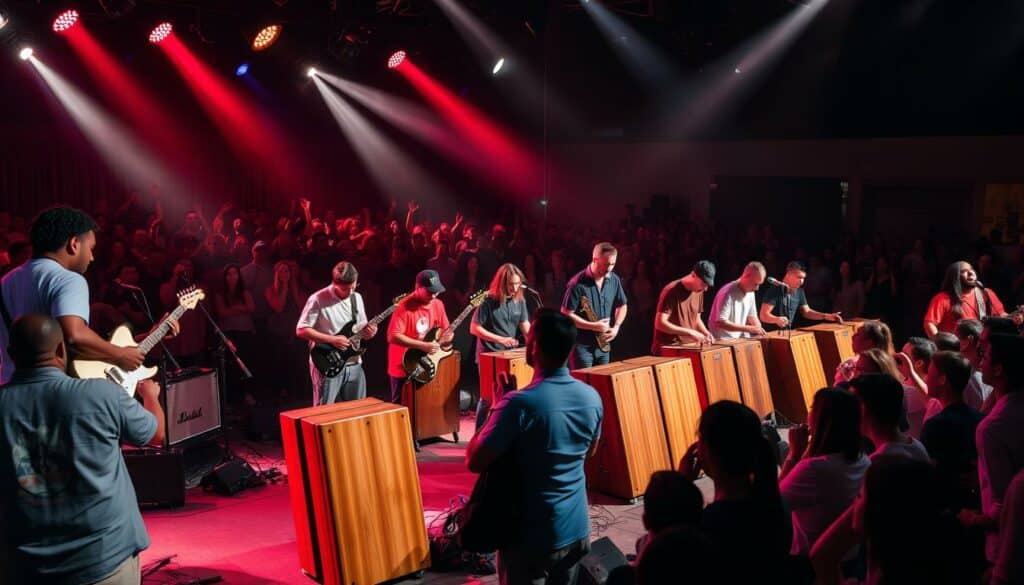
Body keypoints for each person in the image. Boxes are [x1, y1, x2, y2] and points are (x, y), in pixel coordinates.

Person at [0, 314, 165, 583]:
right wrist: (151, 397)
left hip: (24, 567)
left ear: (11, 354)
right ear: (62, 350)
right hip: (105, 560)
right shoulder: (102, 394)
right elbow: (155, 433)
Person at [466, 309, 603, 585]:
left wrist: (496, 406)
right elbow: (591, 451)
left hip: (530, 538)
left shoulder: (518, 404)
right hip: (577, 529)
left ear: (534, 348)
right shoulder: (592, 397)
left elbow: (475, 460)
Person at [0, 207, 170, 385]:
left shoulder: (6, 280)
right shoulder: (68, 279)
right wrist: (119, 355)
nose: (92, 258)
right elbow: (75, 336)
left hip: (8, 388)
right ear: (74, 244)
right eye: (91, 248)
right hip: (51, 392)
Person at [811, 374, 930, 585]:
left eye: (852, 403)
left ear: (863, 409)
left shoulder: (879, 465)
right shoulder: (915, 446)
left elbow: (824, 551)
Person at [678, 401, 791, 583]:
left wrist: (682, 484)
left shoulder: (710, 526)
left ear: (705, 449)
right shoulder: (777, 504)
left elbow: (667, 560)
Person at [780, 389, 869, 556]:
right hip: (850, 556)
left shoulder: (813, 470)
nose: (808, 413)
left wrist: (793, 455)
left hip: (811, 564)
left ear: (822, 419)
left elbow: (774, 504)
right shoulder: (863, 459)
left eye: (813, 408)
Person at [970, 334, 1024, 565]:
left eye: (986, 356)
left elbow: (1002, 503)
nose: (980, 361)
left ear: (999, 369)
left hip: (1007, 547)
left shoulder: (992, 428)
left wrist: (972, 519)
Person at [296, 262, 378, 406]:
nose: (350, 293)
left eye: (353, 287)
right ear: (334, 284)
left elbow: (360, 327)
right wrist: (332, 340)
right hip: (327, 364)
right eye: (345, 289)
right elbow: (301, 329)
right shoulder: (318, 299)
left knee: (358, 410)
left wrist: (369, 332)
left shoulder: (357, 297)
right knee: (324, 412)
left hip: (354, 362)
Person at [470, 263, 531, 428]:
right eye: (511, 284)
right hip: (489, 355)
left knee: (512, 395)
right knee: (488, 397)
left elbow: (525, 325)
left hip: (510, 356)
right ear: (502, 283)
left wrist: (535, 342)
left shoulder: (519, 300)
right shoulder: (488, 300)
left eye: (518, 283)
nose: (515, 287)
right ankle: (479, 436)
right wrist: (500, 339)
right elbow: (474, 328)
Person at [921, 351, 982, 511]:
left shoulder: (936, 425)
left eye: (930, 373)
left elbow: (929, 477)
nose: (926, 378)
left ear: (942, 380)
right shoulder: (980, 419)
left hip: (946, 509)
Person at [386, 269, 452, 404]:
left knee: (425, 409)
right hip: (403, 366)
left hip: (426, 364)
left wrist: (445, 340)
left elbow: (447, 332)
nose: (434, 296)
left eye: (436, 292)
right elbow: (392, 336)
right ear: (417, 287)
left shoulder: (438, 304)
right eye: (430, 292)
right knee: (401, 408)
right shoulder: (404, 305)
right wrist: (423, 345)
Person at [560, 242, 628, 369]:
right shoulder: (577, 284)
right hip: (581, 347)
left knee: (602, 386)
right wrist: (593, 326)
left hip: (604, 346)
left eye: (613, 264)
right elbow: (566, 314)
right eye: (606, 264)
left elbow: (622, 305)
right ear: (595, 260)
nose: (609, 269)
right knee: (583, 386)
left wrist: (616, 327)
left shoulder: (614, 279)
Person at [924, 260, 1008, 338]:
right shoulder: (942, 298)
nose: (971, 273)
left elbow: (1001, 315)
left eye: (972, 269)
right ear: (954, 277)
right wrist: (942, 345)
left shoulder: (986, 293)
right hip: (956, 351)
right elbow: (929, 324)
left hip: (982, 350)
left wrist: (1014, 318)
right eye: (964, 271)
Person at [651, 261, 715, 352]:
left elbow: (696, 319)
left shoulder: (699, 292)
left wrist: (706, 333)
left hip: (688, 347)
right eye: (703, 284)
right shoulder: (671, 291)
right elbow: (659, 323)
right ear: (693, 275)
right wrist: (690, 332)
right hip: (669, 348)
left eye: (707, 285)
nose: (705, 289)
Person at [759, 261, 842, 331]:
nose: (802, 281)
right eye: (798, 277)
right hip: (771, 335)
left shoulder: (799, 292)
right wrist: (776, 319)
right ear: (788, 274)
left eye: (803, 278)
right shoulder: (775, 290)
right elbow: (763, 315)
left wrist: (827, 316)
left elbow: (807, 312)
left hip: (787, 335)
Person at [708, 261, 767, 340]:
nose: (757, 288)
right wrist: (749, 329)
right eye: (755, 284)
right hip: (722, 340)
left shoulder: (751, 293)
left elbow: (752, 315)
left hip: (737, 339)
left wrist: (758, 328)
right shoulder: (727, 292)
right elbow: (720, 322)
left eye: (759, 284)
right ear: (746, 276)